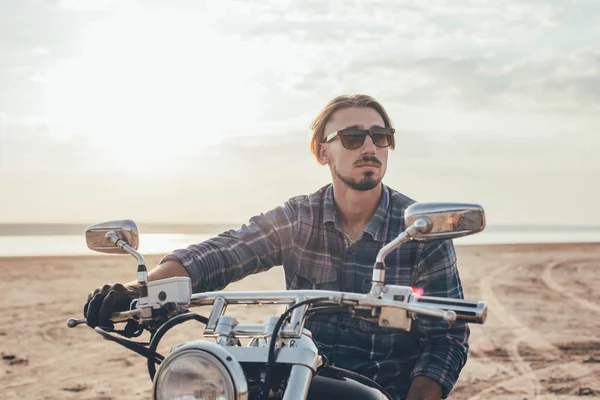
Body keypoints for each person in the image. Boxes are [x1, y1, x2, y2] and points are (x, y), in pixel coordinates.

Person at [84, 94, 470, 400]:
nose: (369, 146)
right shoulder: (299, 217)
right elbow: (225, 253)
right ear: (323, 152)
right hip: (297, 373)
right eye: (353, 138)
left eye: (380, 136)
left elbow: (446, 338)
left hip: (382, 389)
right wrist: (140, 291)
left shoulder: (417, 229)